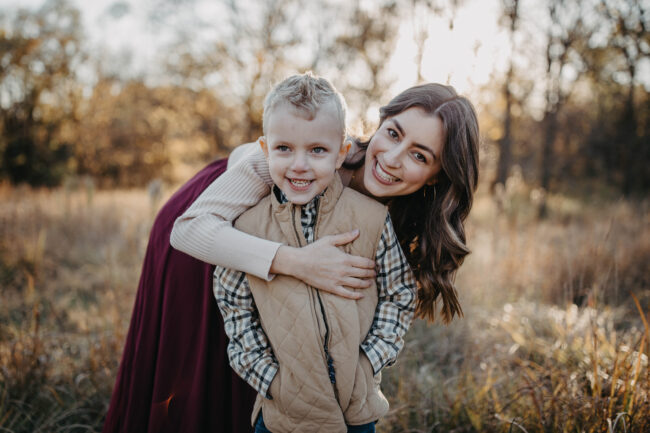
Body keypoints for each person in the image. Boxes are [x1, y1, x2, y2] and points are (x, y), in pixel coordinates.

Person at [103, 78, 479, 433]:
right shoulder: (302, 158)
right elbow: (190, 229)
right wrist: (298, 263)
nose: (393, 158)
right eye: (393, 133)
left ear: (436, 175)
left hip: (269, 277)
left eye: (419, 155)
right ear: (379, 124)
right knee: (203, 370)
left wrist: (357, 369)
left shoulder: (393, 217)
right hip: (215, 233)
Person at [213, 73, 417, 433]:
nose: (300, 165)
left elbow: (399, 295)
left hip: (356, 412)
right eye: (284, 149)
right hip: (283, 414)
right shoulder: (246, 228)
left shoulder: (370, 218)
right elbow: (234, 306)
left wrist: (368, 364)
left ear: (340, 154)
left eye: (317, 150)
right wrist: (272, 379)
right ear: (265, 150)